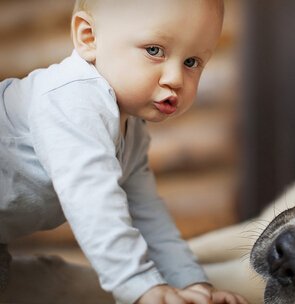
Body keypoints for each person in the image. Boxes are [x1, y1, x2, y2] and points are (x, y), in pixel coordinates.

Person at [0, 0, 248, 303]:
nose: (175, 78)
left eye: (192, 62)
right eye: (154, 50)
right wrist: (140, 286)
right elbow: (93, 200)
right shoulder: (72, 99)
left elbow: (147, 215)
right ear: (89, 37)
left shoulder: (132, 132)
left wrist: (194, 285)